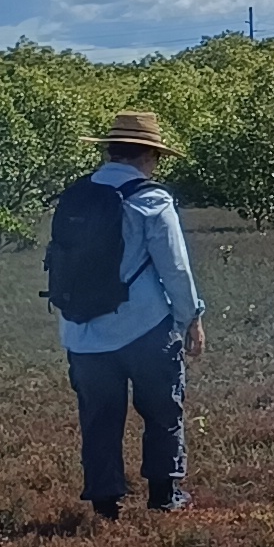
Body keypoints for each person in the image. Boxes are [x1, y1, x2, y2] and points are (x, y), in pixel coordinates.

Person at [44, 107, 205, 522]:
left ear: (111, 151)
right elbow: (176, 269)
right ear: (149, 156)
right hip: (145, 328)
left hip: (81, 331)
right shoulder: (151, 200)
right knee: (162, 410)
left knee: (99, 417)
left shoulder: (76, 195)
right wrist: (191, 319)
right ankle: (165, 494)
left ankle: (104, 502)